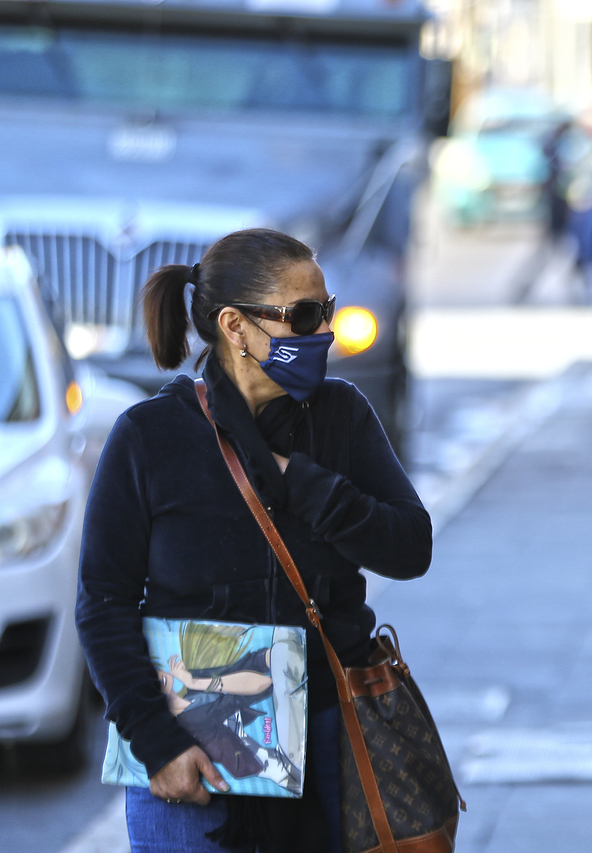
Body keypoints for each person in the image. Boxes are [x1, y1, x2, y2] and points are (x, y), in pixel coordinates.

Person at [76, 228, 433, 853]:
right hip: (194, 743)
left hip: (333, 727)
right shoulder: (149, 436)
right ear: (234, 326)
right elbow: (102, 605)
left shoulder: (342, 415)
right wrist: (156, 743)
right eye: (302, 316)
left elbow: (411, 548)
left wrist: (305, 485)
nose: (323, 331)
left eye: (326, 311)